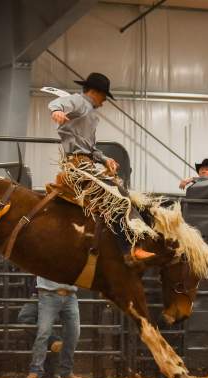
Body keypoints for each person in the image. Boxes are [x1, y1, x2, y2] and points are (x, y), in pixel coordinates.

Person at [49, 72, 155, 262]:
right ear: (96, 92)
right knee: (117, 199)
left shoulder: (88, 111)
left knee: (120, 194)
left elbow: (90, 148)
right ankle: (129, 250)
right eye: (105, 95)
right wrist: (56, 111)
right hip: (79, 167)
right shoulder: (80, 102)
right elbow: (58, 104)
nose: (105, 101)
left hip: (84, 163)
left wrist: (105, 159)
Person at [26, 277, 81, 378]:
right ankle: (36, 370)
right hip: (50, 293)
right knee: (44, 332)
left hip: (68, 294)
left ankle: (65, 371)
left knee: (73, 333)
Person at [17, 289, 63, 378]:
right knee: (43, 326)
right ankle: (53, 372)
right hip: (45, 292)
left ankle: (46, 372)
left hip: (45, 292)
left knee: (36, 325)